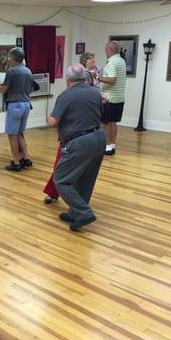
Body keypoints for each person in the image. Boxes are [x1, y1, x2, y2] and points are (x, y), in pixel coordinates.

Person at [48, 64, 106, 231]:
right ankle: (75, 213)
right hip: (99, 138)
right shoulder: (96, 92)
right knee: (86, 179)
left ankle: (84, 212)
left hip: (79, 141)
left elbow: (53, 122)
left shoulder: (66, 95)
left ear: (68, 79)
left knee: (61, 179)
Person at [0, 47, 34, 171]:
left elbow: (3, 90)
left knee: (12, 135)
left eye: (9, 56)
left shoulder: (11, 71)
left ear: (14, 58)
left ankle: (16, 162)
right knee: (20, 133)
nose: (8, 58)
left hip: (15, 105)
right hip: (26, 104)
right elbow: (31, 88)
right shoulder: (28, 71)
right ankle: (26, 158)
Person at [96, 41, 127, 156]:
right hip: (119, 97)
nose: (105, 52)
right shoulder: (122, 61)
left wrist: (98, 78)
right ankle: (112, 145)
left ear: (110, 50)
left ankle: (108, 147)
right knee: (113, 122)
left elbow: (112, 80)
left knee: (106, 123)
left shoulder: (112, 62)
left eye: (106, 50)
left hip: (109, 98)